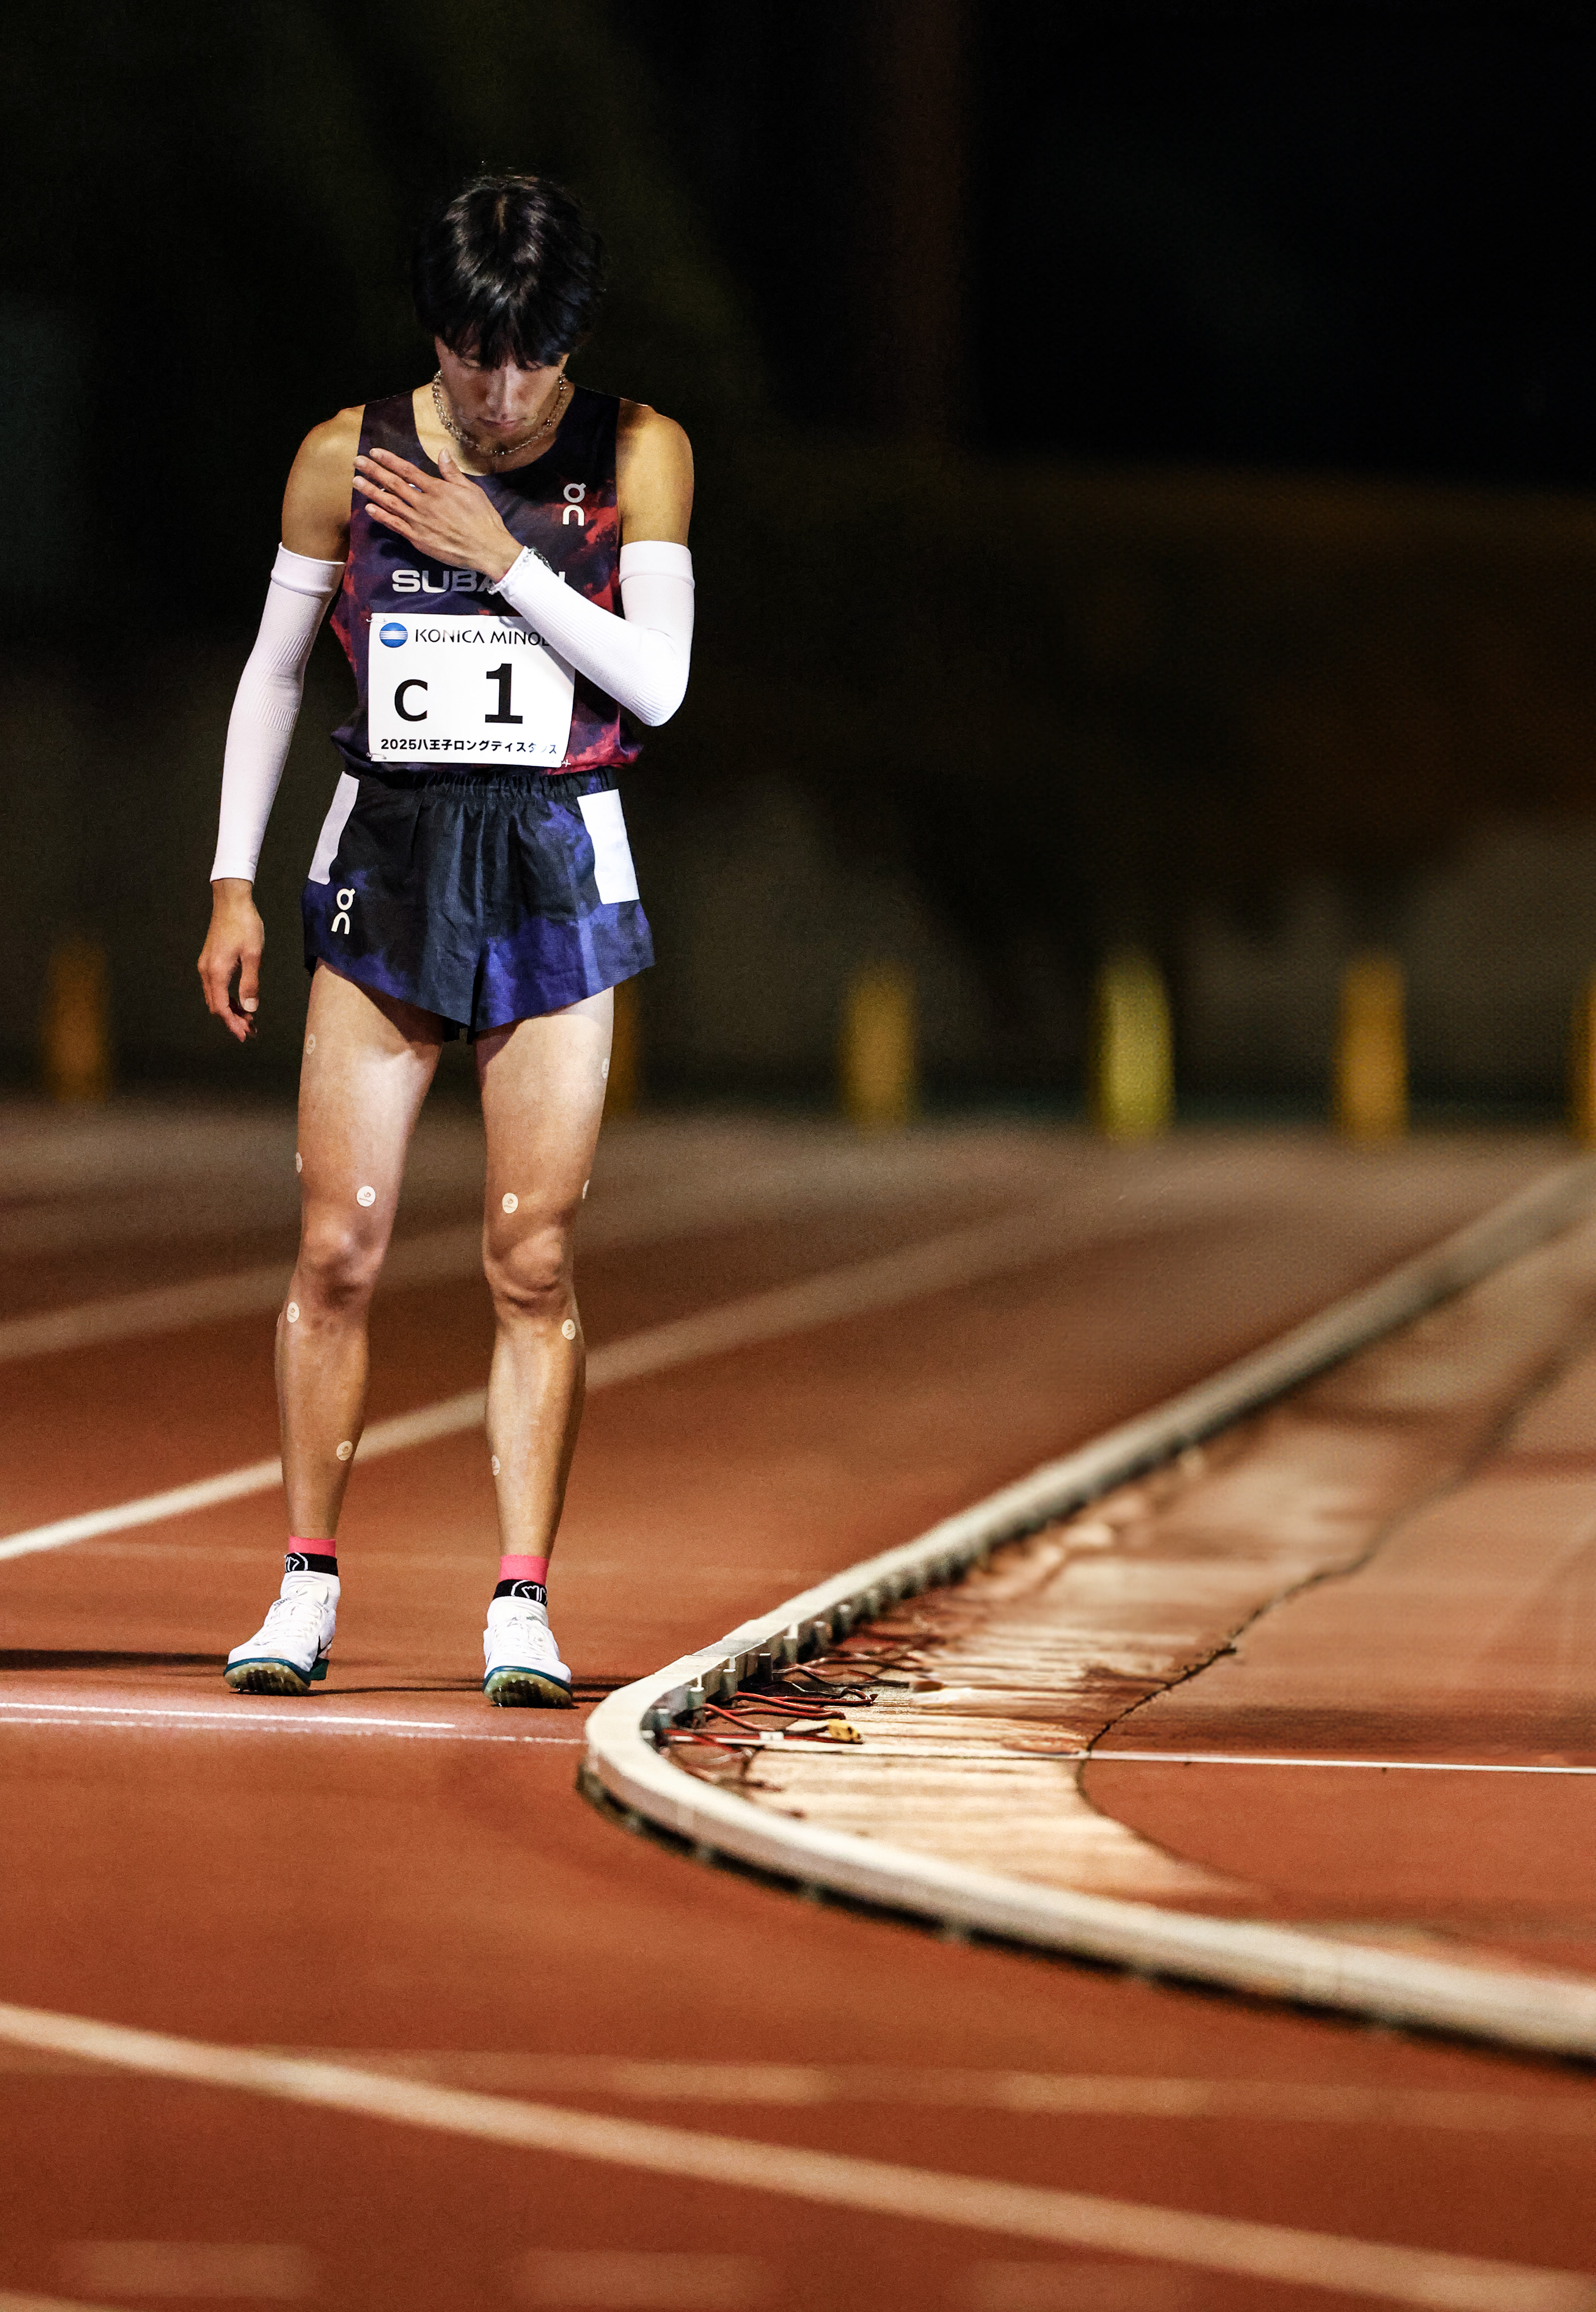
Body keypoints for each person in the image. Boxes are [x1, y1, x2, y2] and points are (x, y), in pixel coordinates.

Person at [197, 172, 694, 1706]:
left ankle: (522, 1604)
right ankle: (303, 1585)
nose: (501, 393)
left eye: (532, 357)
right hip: (392, 862)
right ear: (438, 334)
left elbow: (659, 688)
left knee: (528, 1258)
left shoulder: (642, 454)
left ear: (570, 339)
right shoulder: (347, 457)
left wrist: (504, 558)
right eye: (474, 356)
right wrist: (229, 878)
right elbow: (278, 673)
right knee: (338, 1245)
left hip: (557, 860)